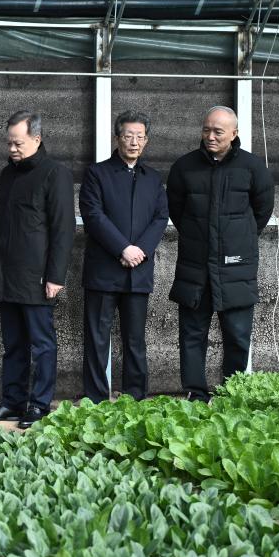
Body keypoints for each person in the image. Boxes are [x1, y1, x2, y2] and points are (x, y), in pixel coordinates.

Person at [167, 105, 275, 401]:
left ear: (234, 133)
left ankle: (233, 395)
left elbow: (262, 211)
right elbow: (177, 211)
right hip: (195, 266)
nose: (210, 136)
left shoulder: (253, 168)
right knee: (191, 336)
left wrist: (238, 238)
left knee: (237, 337)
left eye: (218, 131)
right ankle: (195, 394)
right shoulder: (184, 167)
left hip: (235, 267)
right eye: (206, 130)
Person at [0, 110, 75, 429]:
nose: (12, 149)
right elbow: (0, 222)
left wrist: (56, 276)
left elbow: (63, 228)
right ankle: (12, 402)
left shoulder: (54, 173)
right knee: (14, 344)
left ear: (36, 138)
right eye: (9, 143)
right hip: (8, 273)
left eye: (18, 143)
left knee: (42, 343)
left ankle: (39, 404)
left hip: (37, 275)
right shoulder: (8, 174)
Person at [79, 110, 169, 403]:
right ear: (117, 138)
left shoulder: (153, 178)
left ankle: (135, 398)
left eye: (139, 137)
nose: (133, 142)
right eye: (128, 136)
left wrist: (139, 251)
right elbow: (93, 215)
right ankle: (95, 399)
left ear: (146, 141)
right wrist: (122, 248)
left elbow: (160, 218)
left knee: (135, 340)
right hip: (104, 270)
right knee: (97, 339)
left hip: (138, 271)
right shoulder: (97, 173)